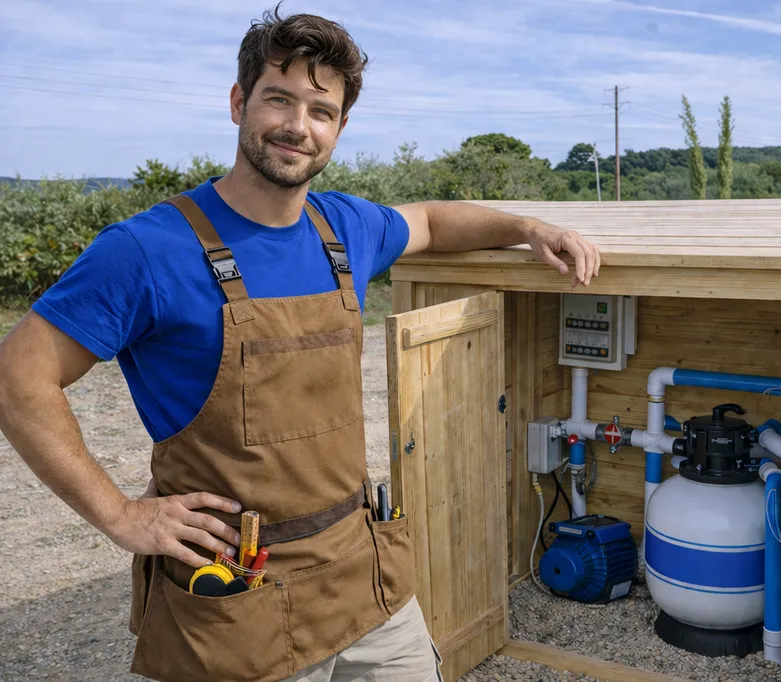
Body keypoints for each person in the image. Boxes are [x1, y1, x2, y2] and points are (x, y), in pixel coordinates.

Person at [0, 6, 600, 682]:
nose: (297, 125)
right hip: (235, 599)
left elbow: (431, 220)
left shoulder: (342, 229)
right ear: (238, 103)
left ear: (340, 128)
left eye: (321, 109)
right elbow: (19, 379)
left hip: (363, 579)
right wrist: (120, 515)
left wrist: (526, 227)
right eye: (278, 99)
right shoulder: (147, 250)